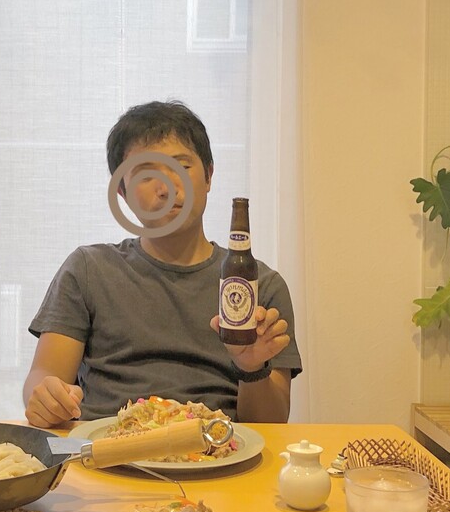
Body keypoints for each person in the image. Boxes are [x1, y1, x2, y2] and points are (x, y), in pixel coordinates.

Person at [23, 100, 301, 428]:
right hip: (108, 446)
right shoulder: (88, 269)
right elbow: (43, 378)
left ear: (209, 176)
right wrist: (47, 398)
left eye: (182, 166)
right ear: (123, 192)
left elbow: (271, 425)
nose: (166, 187)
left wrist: (251, 368)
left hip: (217, 449)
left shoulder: (256, 284)